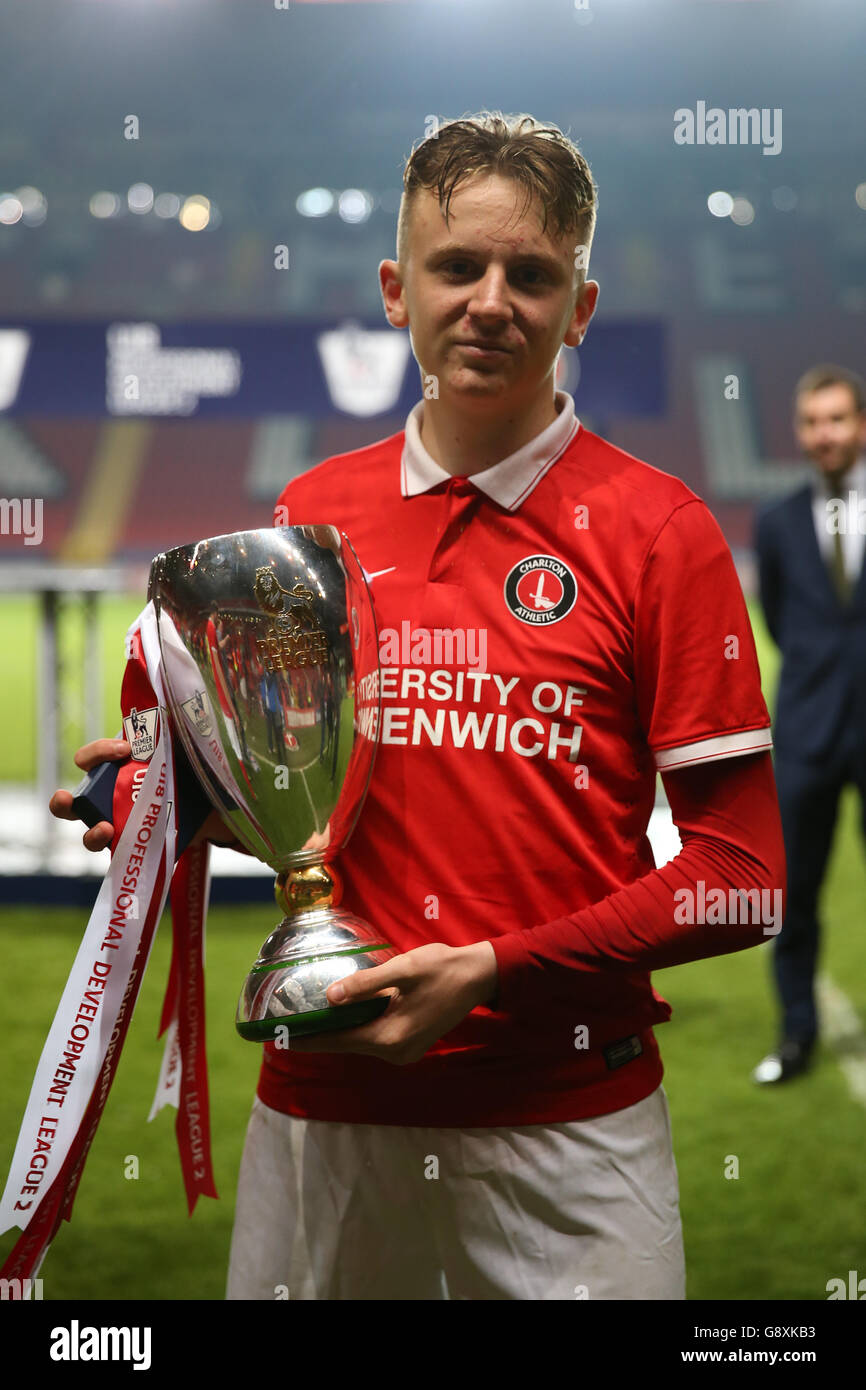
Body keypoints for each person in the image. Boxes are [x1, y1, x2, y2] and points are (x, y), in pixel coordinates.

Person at [50, 111, 785, 1301]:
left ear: (576, 310)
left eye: (531, 274)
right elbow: (313, 804)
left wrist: (492, 967)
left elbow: (739, 874)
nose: (491, 301)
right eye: (457, 267)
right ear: (398, 290)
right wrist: (176, 804)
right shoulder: (310, 519)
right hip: (324, 1112)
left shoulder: (661, 532)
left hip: (567, 1124)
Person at [752, 365, 866, 1085]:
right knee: (791, 897)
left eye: (838, 419)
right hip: (806, 732)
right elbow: (780, 620)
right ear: (799, 433)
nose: (825, 434)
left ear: (860, 424)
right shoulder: (777, 520)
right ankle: (796, 1035)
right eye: (812, 423)